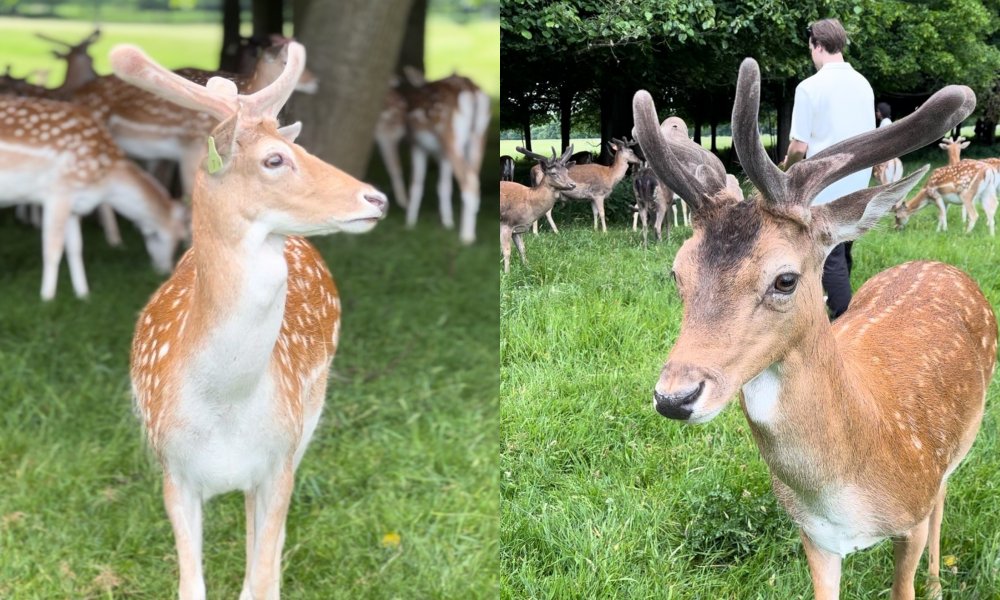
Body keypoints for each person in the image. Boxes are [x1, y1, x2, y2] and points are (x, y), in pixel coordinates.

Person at [779, 18, 875, 319]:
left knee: (828, 253)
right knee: (843, 244)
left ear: (818, 46)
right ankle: (838, 299)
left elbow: (799, 146)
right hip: (859, 179)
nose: (811, 53)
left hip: (824, 184)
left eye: (810, 47)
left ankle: (843, 315)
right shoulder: (863, 84)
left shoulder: (810, 88)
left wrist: (786, 168)